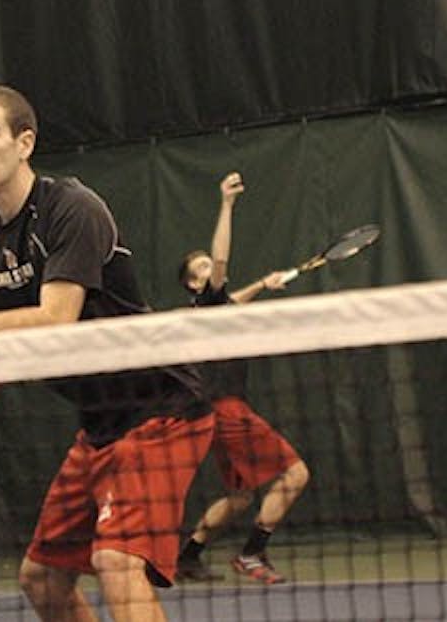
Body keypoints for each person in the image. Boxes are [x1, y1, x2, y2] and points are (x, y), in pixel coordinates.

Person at [0, 85, 214, 622]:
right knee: (43, 579)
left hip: (162, 408)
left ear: (24, 142)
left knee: (116, 560)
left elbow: (56, 321)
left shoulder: (72, 208)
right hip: (99, 425)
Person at [174, 172, 310, 586]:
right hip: (229, 410)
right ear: (196, 283)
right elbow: (221, 265)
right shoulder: (208, 295)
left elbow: (233, 300)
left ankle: (188, 557)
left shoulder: (209, 309)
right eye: (203, 269)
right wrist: (227, 205)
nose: (211, 270)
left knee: (239, 497)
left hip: (213, 412)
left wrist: (264, 285)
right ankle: (253, 553)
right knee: (296, 474)